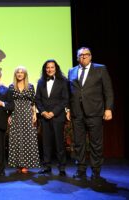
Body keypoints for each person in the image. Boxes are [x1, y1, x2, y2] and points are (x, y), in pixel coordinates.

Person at [67, 47, 114, 180]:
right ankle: (81, 169)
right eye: (81, 55)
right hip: (77, 113)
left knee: (96, 143)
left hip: (95, 112)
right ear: (77, 58)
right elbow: (69, 92)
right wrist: (68, 109)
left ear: (91, 56)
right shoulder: (72, 71)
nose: (83, 57)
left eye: (86, 55)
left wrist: (108, 108)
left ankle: (96, 171)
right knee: (79, 143)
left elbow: (108, 90)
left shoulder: (100, 69)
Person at [35, 59, 69, 176]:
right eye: (47, 67)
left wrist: (53, 113)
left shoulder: (63, 81)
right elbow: (37, 99)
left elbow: (65, 99)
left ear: (56, 68)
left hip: (58, 116)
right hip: (44, 117)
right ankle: (47, 166)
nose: (49, 69)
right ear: (45, 69)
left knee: (59, 143)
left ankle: (62, 168)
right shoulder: (40, 82)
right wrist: (43, 112)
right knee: (46, 143)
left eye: (52, 67)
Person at [8, 66, 40, 174]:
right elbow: (10, 103)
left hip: (27, 114)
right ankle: (18, 164)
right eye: (18, 72)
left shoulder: (30, 86)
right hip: (15, 114)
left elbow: (33, 102)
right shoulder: (11, 87)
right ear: (15, 74)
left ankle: (26, 164)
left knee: (28, 138)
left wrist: (34, 114)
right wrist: (9, 115)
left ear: (25, 74)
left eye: (22, 72)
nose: (20, 74)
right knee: (16, 138)